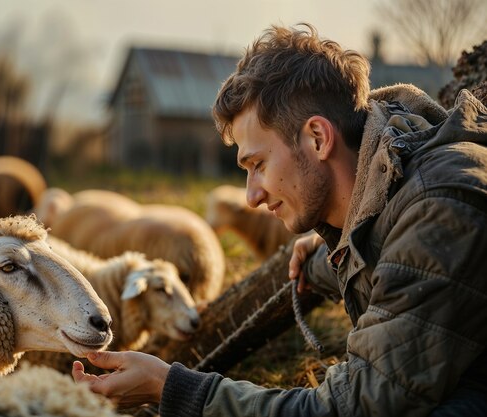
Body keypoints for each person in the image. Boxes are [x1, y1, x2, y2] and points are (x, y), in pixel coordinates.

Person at [72, 23, 487, 416]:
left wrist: (174, 389)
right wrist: (332, 248)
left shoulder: (437, 209)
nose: (251, 197)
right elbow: (379, 250)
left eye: (258, 164)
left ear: (318, 138)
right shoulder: (391, 187)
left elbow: (351, 407)